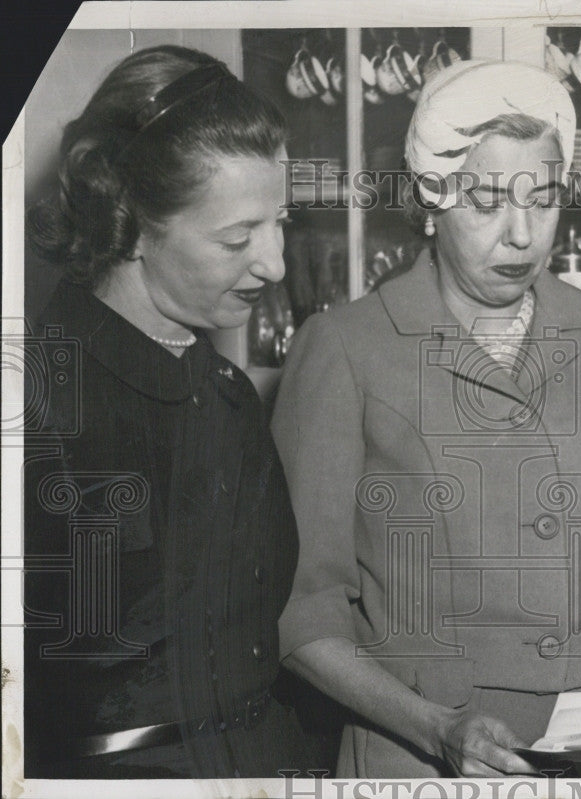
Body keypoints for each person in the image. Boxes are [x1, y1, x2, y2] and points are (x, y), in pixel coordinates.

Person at [270, 59, 581, 778]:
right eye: (488, 200)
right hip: (415, 756)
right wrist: (438, 727)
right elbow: (303, 611)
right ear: (431, 199)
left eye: (545, 198)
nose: (523, 235)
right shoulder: (346, 348)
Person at [23, 45, 323, 778]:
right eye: (237, 237)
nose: (276, 264)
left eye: (279, 222)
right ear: (133, 222)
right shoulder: (36, 404)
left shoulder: (226, 394)